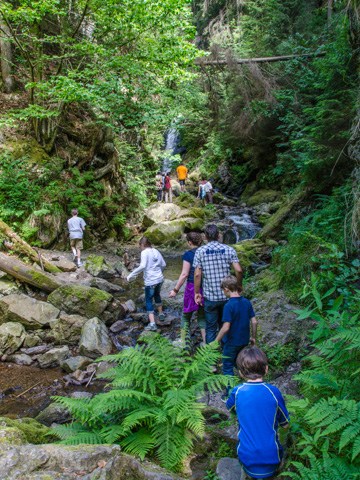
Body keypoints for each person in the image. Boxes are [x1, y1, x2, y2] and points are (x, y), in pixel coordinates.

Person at [226, 347, 290, 479]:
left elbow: (231, 408)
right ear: (266, 369)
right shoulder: (274, 392)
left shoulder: (237, 392)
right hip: (272, 458)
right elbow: (285, 425)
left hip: (247, 459)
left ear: (240, 373)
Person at [193, 224, 243, 344]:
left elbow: (197, 275)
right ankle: (226, 354)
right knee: (226, 325)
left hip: (210, 297)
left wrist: (196, 293)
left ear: (205, 237)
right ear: (219, 236)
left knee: (211, 328)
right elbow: (239, 270)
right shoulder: (229, 249)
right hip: (227, 296)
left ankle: (211, 359)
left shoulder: (200, 251)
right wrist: (238, 286)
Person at [214, 275, 258, 399]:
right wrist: (253, 338)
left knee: (227, 367)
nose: (224, 293)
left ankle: (230, 394)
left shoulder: (229, 306)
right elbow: (254, 322)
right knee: (239, 363)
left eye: (223, 290)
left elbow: (226, 327)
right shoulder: (246, 302)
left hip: (231, 342)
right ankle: (247, 386)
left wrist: (216, 341)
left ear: (227, 289)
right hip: (244, 340)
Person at [169, 232, 206, 348]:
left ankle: (183, 341)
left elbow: (184, 274)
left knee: (186, 315)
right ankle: (205, 343)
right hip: (204, 287)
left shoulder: (188, 255)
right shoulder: (205, 252)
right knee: (202, 316)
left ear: (189, 242)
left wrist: (175, 290)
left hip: (192, 287)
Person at [126, 237, 166, 331]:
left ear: (142, 245)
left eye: (140, 246)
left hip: (150, 281)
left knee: (148, 300)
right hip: (159, 279)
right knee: (157, 295)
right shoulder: (156, 251)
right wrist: (159, 273)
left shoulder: (144, 252)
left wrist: (131, 275)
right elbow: (163, 264)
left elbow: (143, 266)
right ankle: (161, 315)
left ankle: (152, 324)